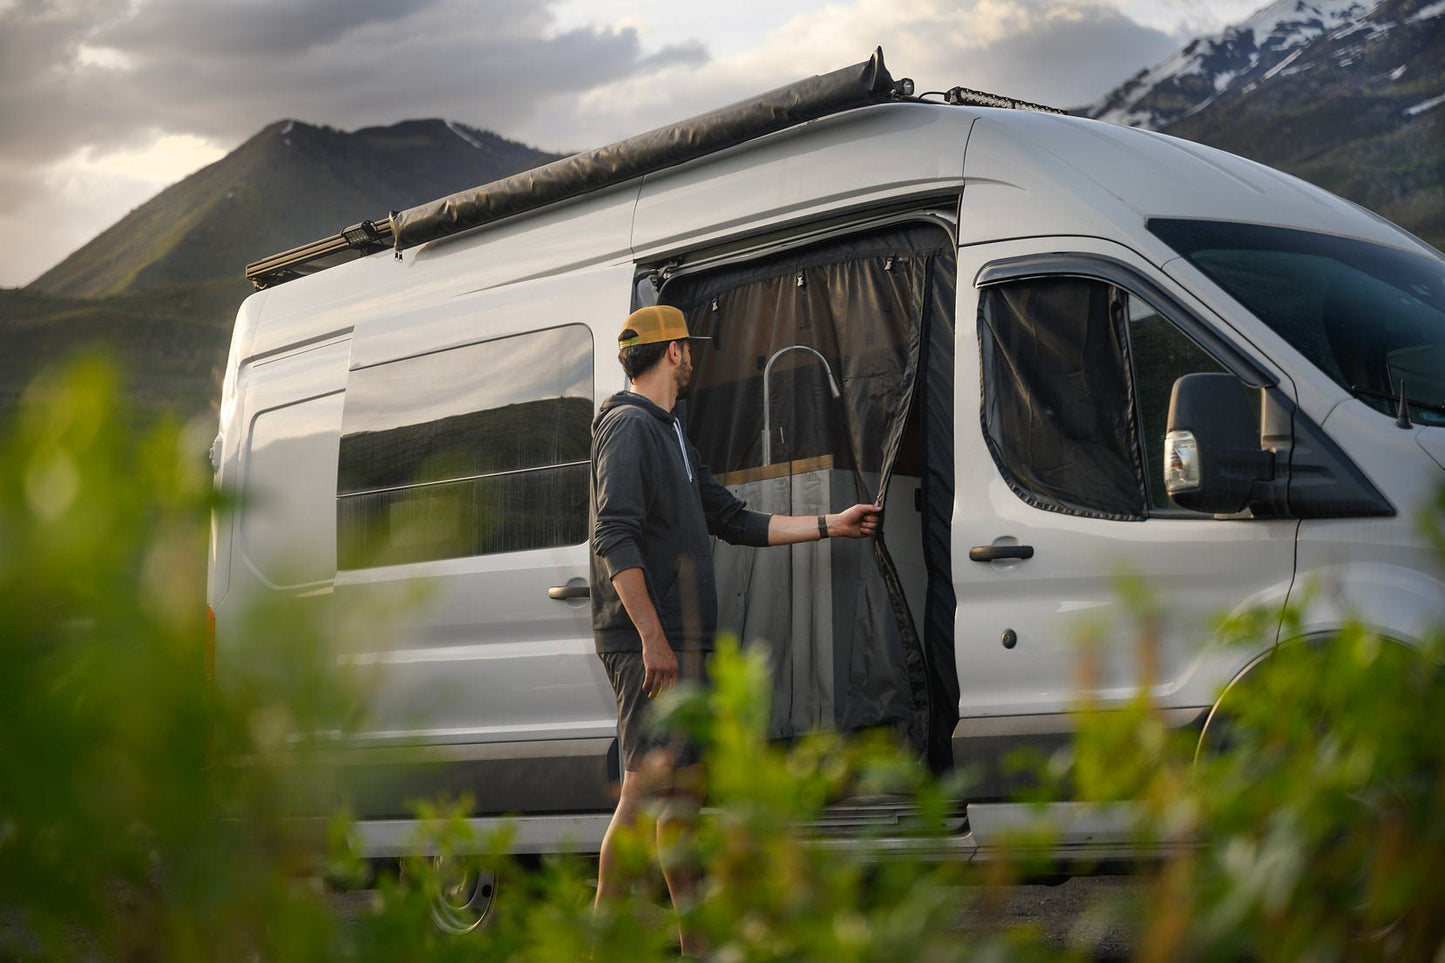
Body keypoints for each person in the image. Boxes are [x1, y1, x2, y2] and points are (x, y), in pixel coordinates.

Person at [589, 303, 881, 955]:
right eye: (687, 347)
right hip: (651, 643)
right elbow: (615, 533)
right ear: (672, 354)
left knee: (677, 800)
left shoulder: (669, 432)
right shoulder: (629, 427)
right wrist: (652, 637)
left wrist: (832, 522)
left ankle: (695, 945)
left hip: (677, 640)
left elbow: (733, 518)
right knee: (642, 793)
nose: (693, 357)